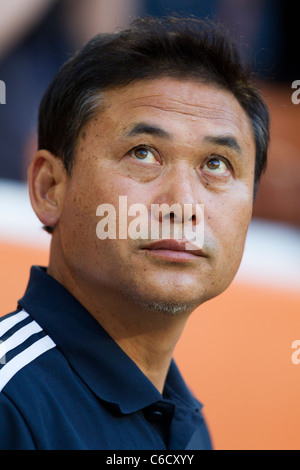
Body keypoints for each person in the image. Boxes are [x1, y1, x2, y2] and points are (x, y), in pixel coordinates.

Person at [0, 16, 269, 450]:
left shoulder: (189, 428)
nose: (183, 205)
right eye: (143, 154)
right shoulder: (9, 403)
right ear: (49, 188)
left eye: (216, 164)